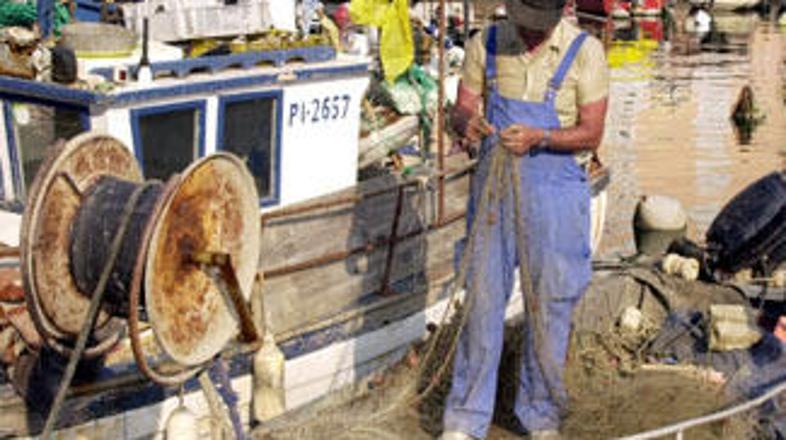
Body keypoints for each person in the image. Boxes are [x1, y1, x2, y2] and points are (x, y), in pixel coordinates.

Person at [441, 0, 609, 438]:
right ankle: (465, 419)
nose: (532, 30)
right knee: (481, 304)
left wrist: (542, 137)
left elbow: (592, 132)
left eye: (541, 22)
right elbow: (461, 109)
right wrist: (467, 123)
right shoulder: (485, 43)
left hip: (556, 197)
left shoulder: (586, 52)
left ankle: (541, 415)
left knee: (550, 306)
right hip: (493, 197)